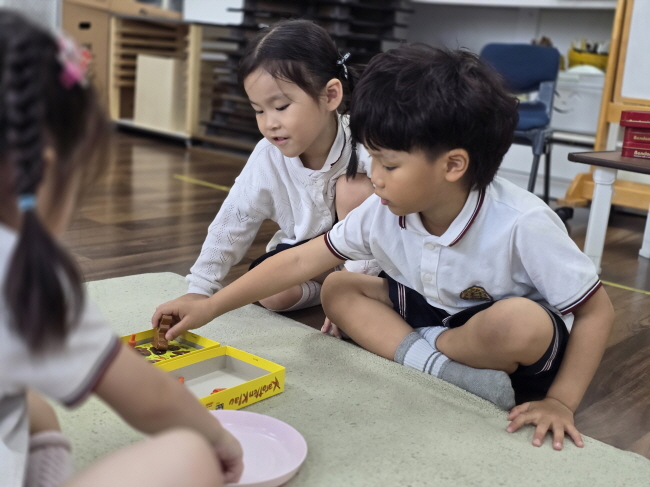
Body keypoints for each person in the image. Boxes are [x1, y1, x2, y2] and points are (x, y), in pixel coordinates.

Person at [153, 44, 614, 450]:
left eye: (388, 164)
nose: (373, 175)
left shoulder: (524, 222)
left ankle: (425, 350)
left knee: (520, 322)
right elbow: (299, 259)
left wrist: (559, 402)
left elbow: (596, 312)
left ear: (453, 165)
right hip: (431, 311)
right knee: (338, 287)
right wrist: (210, 304)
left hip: (496, 332)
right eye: (371, 157)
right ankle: (441, 367)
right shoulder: (384, 208)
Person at [0, 12, 242, 487]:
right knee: (188, 456)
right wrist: (218, 438)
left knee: (33, 407)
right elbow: (151, 399)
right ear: (43, 173)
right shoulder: (24, 277)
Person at [153, 19, 375, 322]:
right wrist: (200, 288)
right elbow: (233, 220)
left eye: (281, 106)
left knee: (356, 188)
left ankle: (347, 290)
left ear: (330, 96)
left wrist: (352, 283)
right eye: (258, 110)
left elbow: (393, 217)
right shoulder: (267, 156)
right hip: (304, 258)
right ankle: (327, 291)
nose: (269, 122)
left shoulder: (365, 144)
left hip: (367, 262)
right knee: (269, 291)